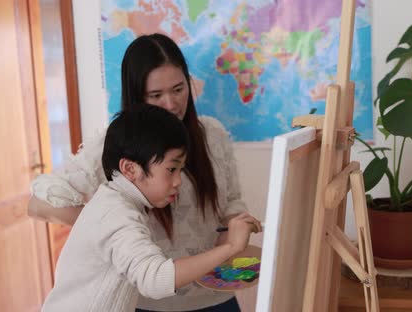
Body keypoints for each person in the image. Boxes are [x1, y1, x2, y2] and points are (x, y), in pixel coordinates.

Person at [28, 33, 258, 311]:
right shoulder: (115, 155)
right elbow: (38, 204)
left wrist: (231, 230)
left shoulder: (212, 135)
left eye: (178, 89)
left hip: (215, 294)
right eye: (156, 95)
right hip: (153, 302)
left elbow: (231, 200)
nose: (171, 104)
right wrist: (116, 228)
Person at [41, 106, 260, 312]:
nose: (178, 182)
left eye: (180, 170)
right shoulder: (116, 214)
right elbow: (154, 279)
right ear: (130, 169)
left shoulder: (118, 201)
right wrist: (230, 247)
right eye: (172, 169)